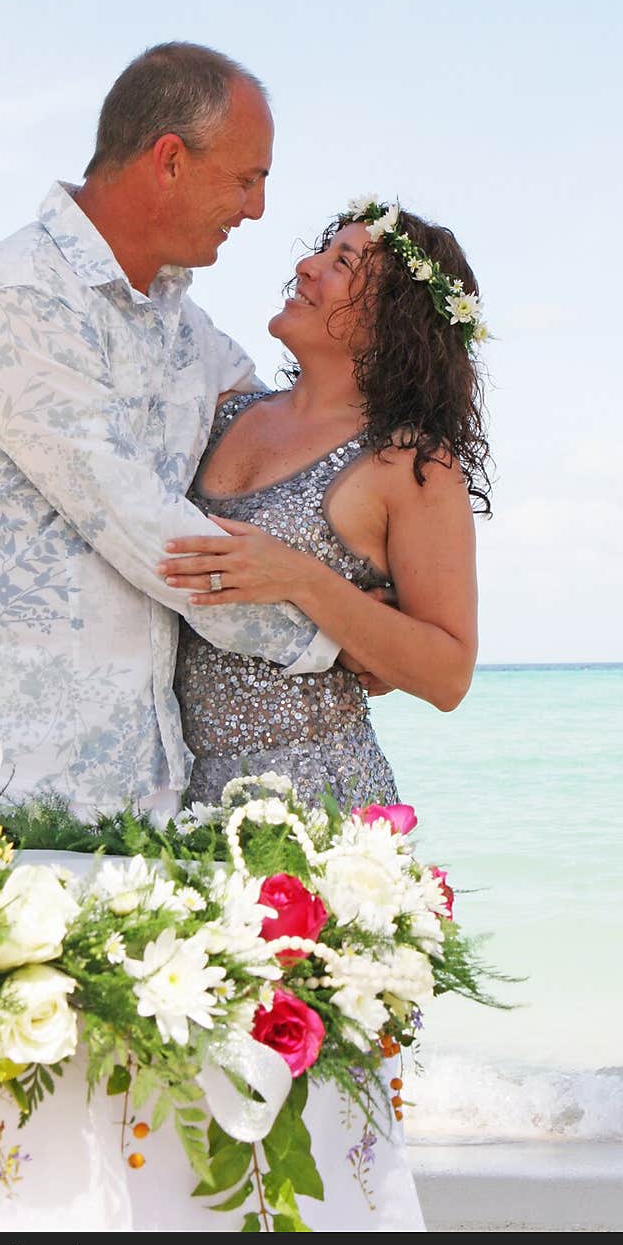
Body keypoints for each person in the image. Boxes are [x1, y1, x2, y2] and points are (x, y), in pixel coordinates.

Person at [0, 43, 337, 819]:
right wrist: (334, 638)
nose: (256, 210)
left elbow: (280, 436)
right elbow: (144, 527)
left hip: (144, 783)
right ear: (170, 160)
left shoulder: (183, 323)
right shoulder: (18, 296)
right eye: (247, 179)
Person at [160, 196, 492, 810]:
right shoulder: (217, 412)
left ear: (394, 321)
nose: (307, 266)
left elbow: (448, 675)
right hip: (170, 790)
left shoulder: (411, 465)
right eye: (322, 250)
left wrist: (303, 579)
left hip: (317, 802)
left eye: (343, 262)